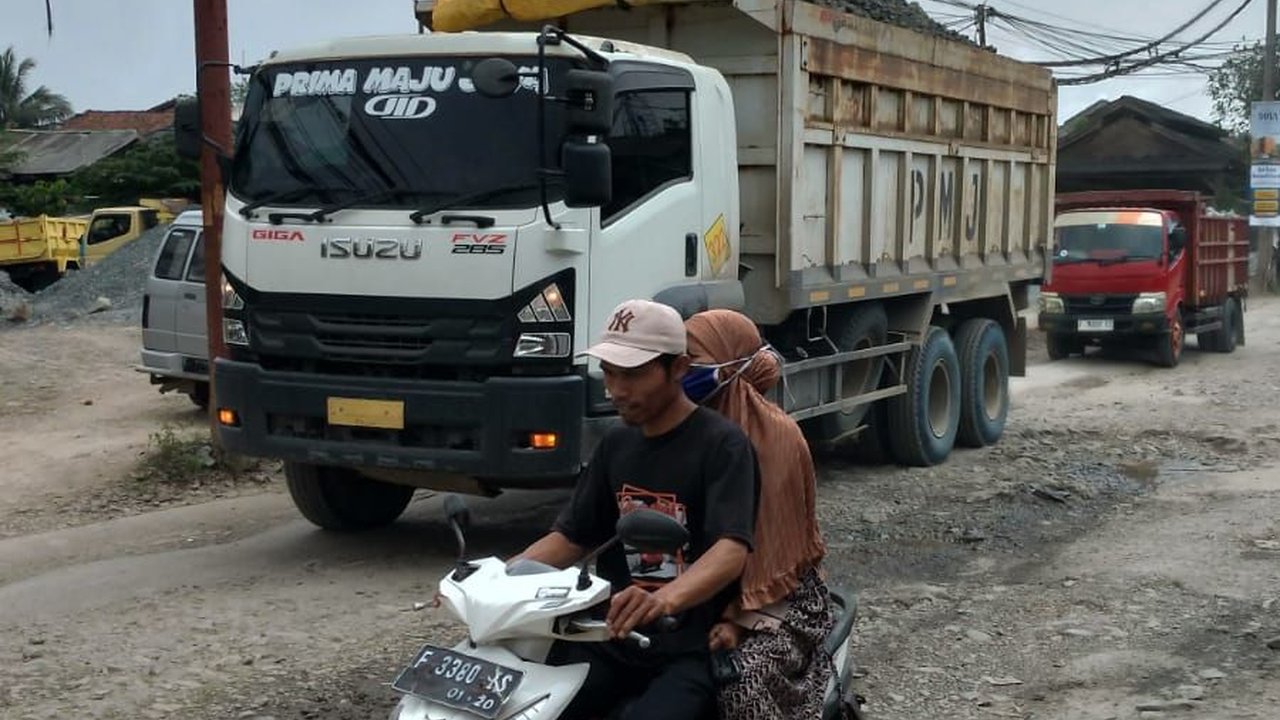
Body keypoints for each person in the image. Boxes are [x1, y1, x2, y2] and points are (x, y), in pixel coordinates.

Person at [515, 299, 760, 720]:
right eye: (609, 373)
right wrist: (493, 578)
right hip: (607, 638)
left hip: (687, 649)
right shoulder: (615, 444)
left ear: (679, 368)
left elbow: (730, 548)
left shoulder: (722, 445)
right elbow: (573, 536)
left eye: (632, 374)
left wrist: (664, 601)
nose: (616, 390)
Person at [683, 309, 835, 720]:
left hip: (781, 600)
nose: (683, 371)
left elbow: (777, 552)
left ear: (728, 365)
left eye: (694, 360)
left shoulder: (775, 439)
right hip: (699, 595)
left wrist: (737, 620)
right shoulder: (684, 429)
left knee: (739, 682)